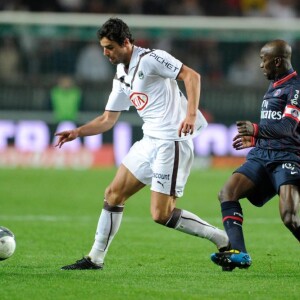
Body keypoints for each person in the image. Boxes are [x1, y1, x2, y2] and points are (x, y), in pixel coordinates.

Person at [55, 17, 229, 270]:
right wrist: (78, 132)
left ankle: (222, 238)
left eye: (110, 47)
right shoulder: (121, 73)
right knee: (113, 194)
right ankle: (95, 258)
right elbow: (107, 119)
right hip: (149, 141)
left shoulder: (152, 58)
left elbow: (192, 76)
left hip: (171, 142)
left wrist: (191, 114)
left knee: (162, 214)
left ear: (126, 42)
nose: (106, 53)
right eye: (103, 48)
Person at [211, 39, 300, 271]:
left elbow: (288, 128)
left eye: (264, 59)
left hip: (288, 157)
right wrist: (257, 138)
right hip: (262, 154)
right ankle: (239, 253)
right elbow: (273, 124)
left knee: (290, 217)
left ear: (277, 61)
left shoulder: (296, 88)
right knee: (227, 192)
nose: (261, 65)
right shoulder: (274, 83)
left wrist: (257, 129)